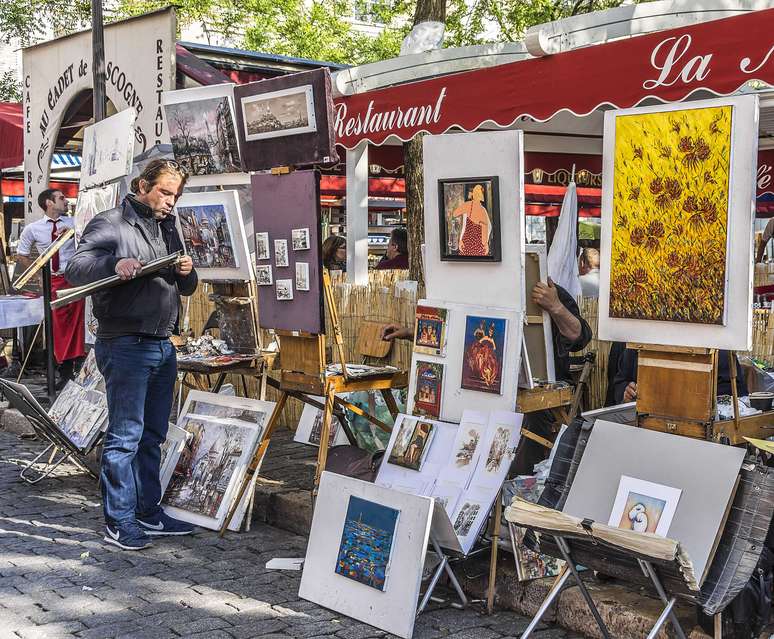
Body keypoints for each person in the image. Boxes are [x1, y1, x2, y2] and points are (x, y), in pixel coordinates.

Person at [65, 159, 198, 550]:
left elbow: (185, 288)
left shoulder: (168, 226)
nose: (172, 201)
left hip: (161, 344)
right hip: (125, 344)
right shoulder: (111, 222)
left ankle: (148, 512)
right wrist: (114, 262)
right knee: (125, 436)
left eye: (176, 195)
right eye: (165, 192)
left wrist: (187, 271)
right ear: (143, 185)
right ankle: (120, 520)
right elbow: (75, 267)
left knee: (153, 435)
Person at [512, 277, 593, 474]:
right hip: (500, 391)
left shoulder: (550, 291)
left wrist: (555, 306)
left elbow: (581, 337)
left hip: (545, 394)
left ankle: (521, 489)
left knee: (533, 420)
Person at [16, 188, 85, 389]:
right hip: (52, 280)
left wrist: (73, 234)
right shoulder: (33, 228)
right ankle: (59, 368)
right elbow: (22, 253)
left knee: (75, 323)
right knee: (56, 325)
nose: (66, 201)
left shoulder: (74, 223)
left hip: (73, 278)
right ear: (49, 202)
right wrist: (38, 276)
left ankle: (72, 367)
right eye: (61, 198)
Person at [613, 348, 747, 404]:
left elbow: (735, 394)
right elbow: (620, 382)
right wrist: (625, 391)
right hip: (645, 430)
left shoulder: (717, 350)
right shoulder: (637, 344)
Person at [450, 184, 490, 256]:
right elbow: (486, 229)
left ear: (473, 194)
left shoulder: (468, 205)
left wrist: (460, 240)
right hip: (479, 246)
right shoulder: (483, 211)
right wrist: (486, 244)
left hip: (466, 243)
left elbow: (455, 214)